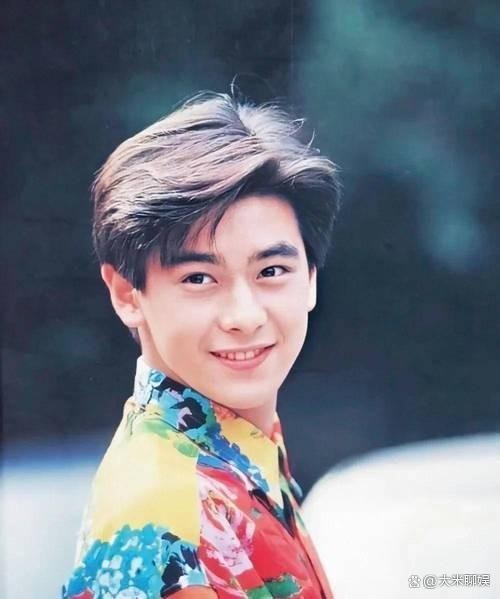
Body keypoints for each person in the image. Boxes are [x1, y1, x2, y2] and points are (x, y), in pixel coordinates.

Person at [62, 90, 340, 599]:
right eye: (198, 278)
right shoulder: (167, 512)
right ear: (127, 294)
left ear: (311, 279)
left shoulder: (239, 454)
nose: (244, 316)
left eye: (271, 271)